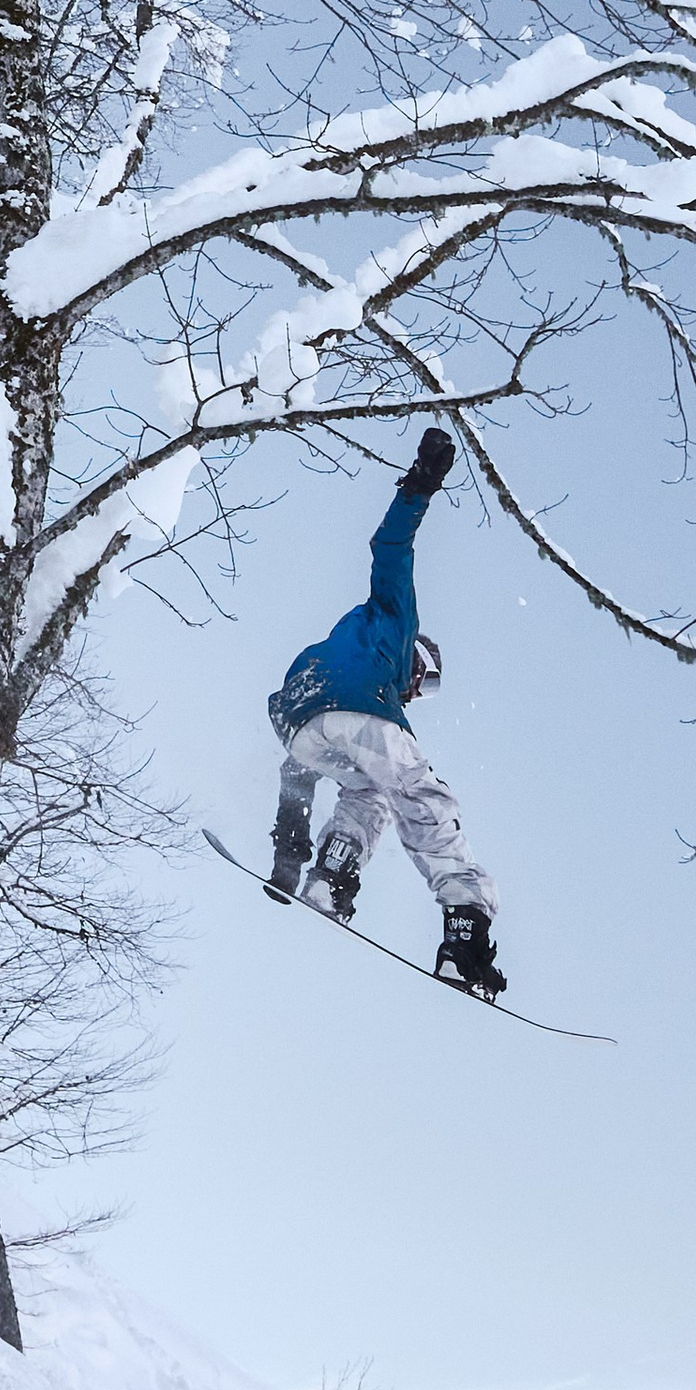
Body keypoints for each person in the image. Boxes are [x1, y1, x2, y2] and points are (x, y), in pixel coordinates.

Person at [265, 427, 505, 1001]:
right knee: (423, 800)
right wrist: (422, 483)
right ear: (419, 664)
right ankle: (463, 930)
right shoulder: (394, 624)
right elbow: (391, 548)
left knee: (367, 791)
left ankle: (330, 874)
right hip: (354, 705)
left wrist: (288, 844)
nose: (421, 693)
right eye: (428, 681)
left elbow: (297, 773)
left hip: (298, 715)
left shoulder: (341, 642)